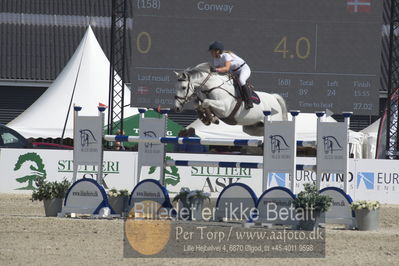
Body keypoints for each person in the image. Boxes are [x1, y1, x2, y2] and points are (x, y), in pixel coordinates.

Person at [208, 41, 253, 109]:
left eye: (212, 51)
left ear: (217, 51)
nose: (210, 53)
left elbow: (226, 68)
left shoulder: (226, 55)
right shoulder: (216, 59)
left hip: (243, 69)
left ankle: (249, 102)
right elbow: (219, 71)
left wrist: (215, 70)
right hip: (234, 71)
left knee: (241, 80)